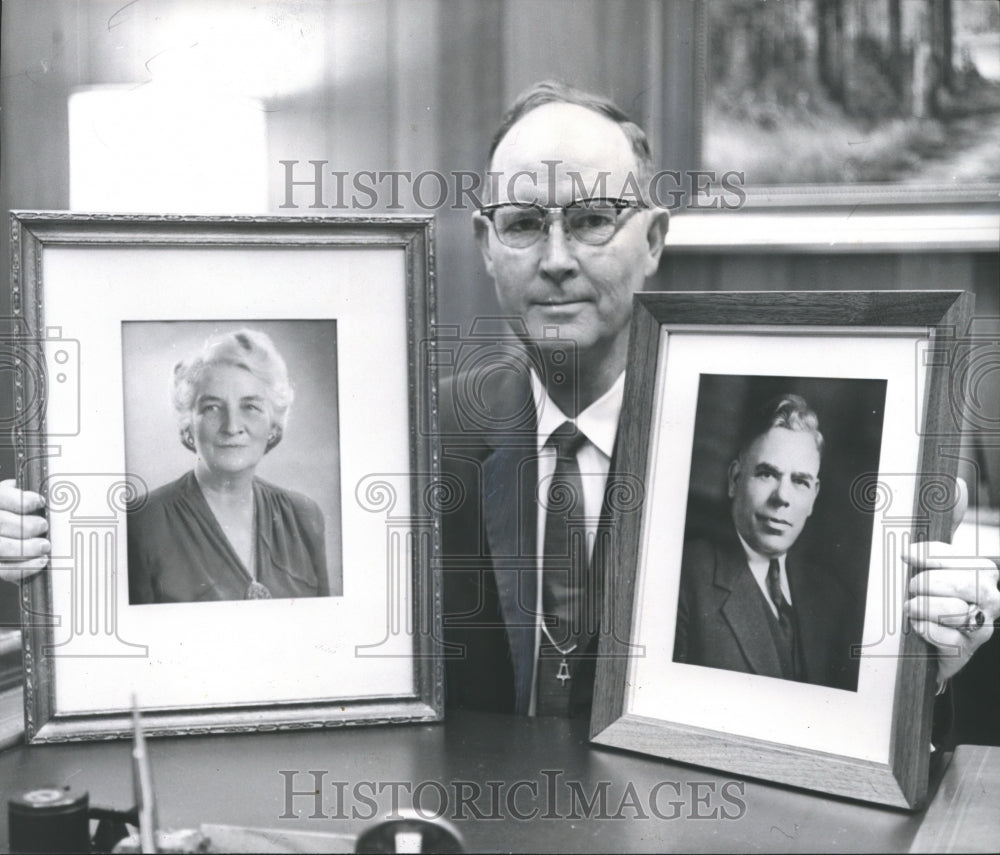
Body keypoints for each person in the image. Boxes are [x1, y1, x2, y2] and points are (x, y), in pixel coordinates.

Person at [1, 81, 997, 723]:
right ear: (484, 246)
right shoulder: (411, 440)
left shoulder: (741, 454)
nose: (556, 260)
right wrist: (52, 560)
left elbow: (834, 696)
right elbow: (245, 650)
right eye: (523, 224)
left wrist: (932, 659)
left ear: (654, 239)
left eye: (594, 221)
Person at [673, 394, 862, 691]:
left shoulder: (831, 599)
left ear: (813, 496)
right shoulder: (684, 575)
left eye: (799, 481)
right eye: (766, 474)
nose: (781, 497)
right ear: (735, 479)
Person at [127, 328, 328, 604]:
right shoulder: (141, 522)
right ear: (188, 423)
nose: (232, 427)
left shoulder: (304, 517)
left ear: (273, 424)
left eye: (250, 407)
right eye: (211, 407)